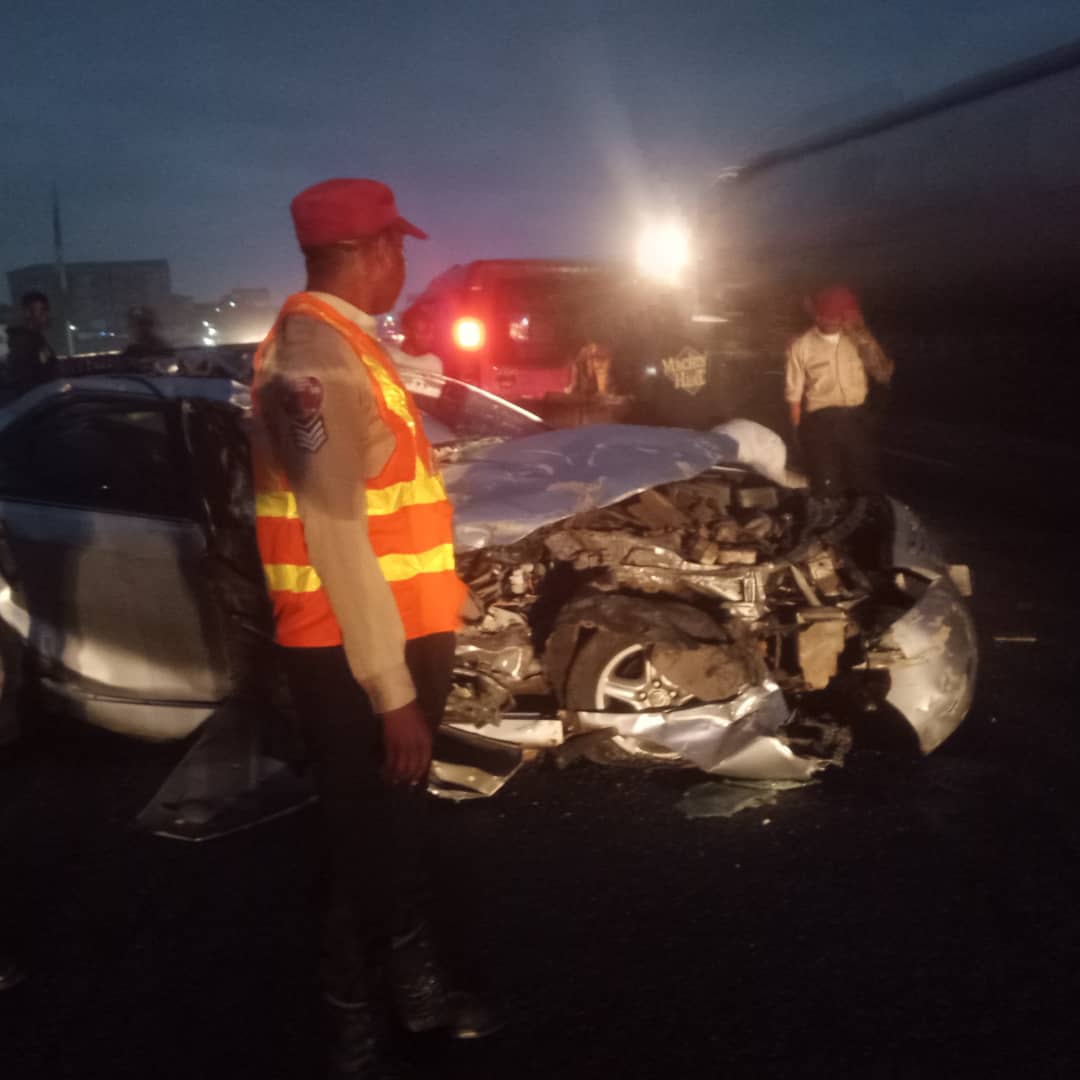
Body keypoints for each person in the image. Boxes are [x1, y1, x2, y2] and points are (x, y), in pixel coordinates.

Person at [250, 178, 496, 1076]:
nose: (404, 265)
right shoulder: (312, 363)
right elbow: (334, 532)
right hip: (352, 647)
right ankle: (351, 1010)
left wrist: (450, 600)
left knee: (397, 824)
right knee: (365, 836)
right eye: (398, 247)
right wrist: (390, 693)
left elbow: (398, 504)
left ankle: (412, 988)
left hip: (399, 627)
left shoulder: (351, 343)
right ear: (369, 251)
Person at [785, 285, 894, 497]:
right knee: (826, 482)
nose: (835, 320)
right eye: (830, 315)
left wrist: (862, 335)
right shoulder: (802, 345)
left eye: (840, 315)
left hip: (856, 418)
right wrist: (796, 430)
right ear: (818, 316)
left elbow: (882, 373)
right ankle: (826, 511)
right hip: (820, 420)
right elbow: (794, 392)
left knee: (863, 480)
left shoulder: (857, 340)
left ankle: (863, 512)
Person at [5, 291, 58, 393]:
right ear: (27, 313)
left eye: (47, 311)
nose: (46, 315)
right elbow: (23, 378)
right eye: (42, 311)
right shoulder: (21, 341)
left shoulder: (37, 338)